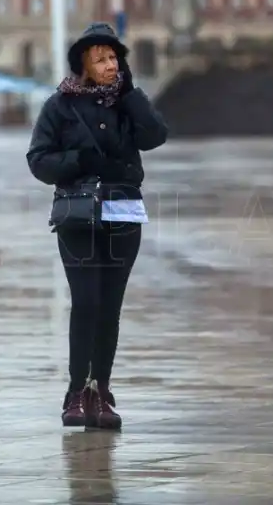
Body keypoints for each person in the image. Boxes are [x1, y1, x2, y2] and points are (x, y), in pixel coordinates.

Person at [26, 23, 169, 430]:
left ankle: (100, 391)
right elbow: (38, 159)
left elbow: (156, 136)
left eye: (113, 58)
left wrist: (131, 96)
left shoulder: (128, 100)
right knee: (86, 302)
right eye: (100, 59)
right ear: (83, 66)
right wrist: (79, 163)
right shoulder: (59, 105)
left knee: (110, 306)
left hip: (123, 211)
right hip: (77, 212)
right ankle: (76, 392)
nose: (109, 65)